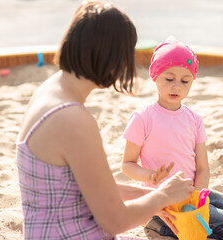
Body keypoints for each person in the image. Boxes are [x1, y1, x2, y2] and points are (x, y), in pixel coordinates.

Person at [16, 2, 194, 239]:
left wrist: (149, 196)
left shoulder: (49, 91)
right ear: (112, 56)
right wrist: (162, 196)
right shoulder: (74, 120)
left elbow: (78, 188)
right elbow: (115, 221)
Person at [122, 37, 223, 239]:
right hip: (165, 200)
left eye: (185, 81)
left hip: (193, 192)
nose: (176, 86)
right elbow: (127, 165)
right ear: (154, 75)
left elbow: (202, 167)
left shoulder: (194, 119)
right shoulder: (142, 118)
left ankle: (193, 212)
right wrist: (150, 176)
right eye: (169, 79)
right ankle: (158, 225)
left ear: (192, 81)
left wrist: (198, 198)